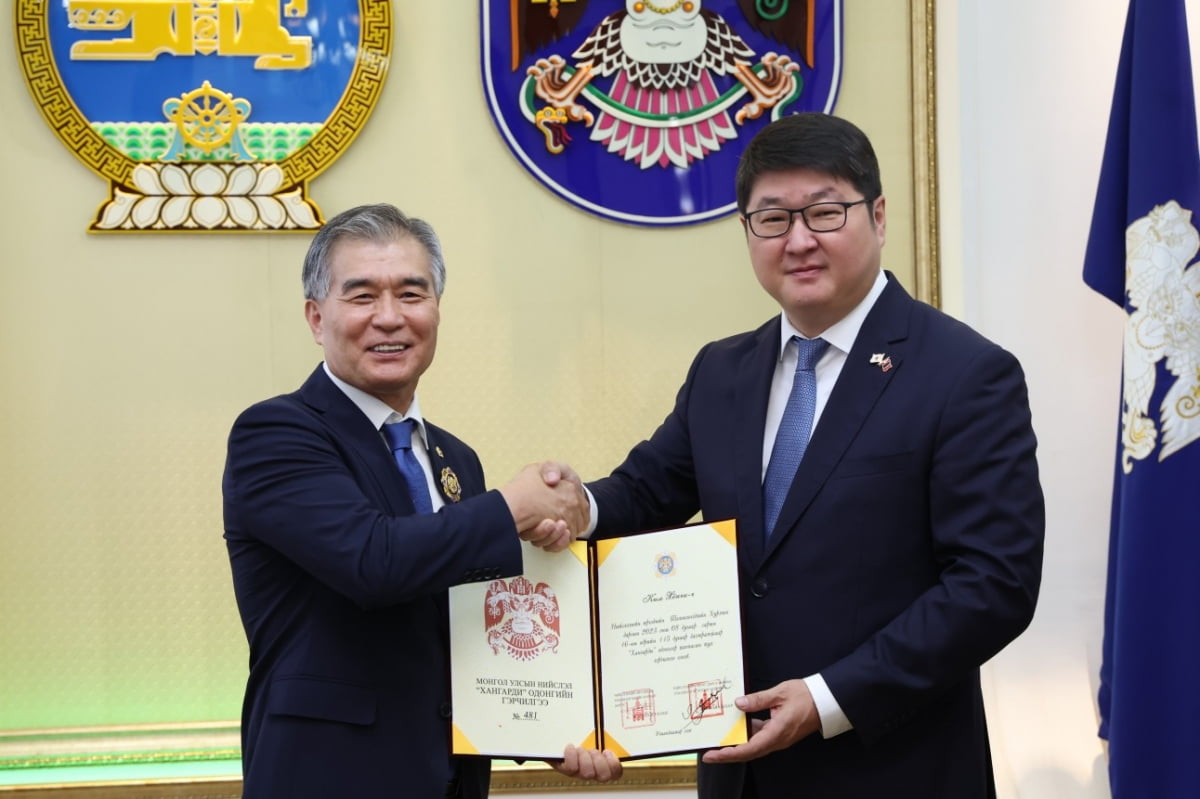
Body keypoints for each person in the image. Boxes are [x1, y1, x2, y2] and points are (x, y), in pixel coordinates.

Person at [555, 113, 1045, 797]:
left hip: (897, 769)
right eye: (773, 218)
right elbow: (645, 492)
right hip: (743, 774)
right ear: (747, 231)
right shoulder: (721, 372)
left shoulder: (965, 373)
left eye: (824, 211)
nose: (800, 240)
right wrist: (574, 506)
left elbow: (994, 586)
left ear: (877, 215)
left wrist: (827, 698)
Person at [222, 203, 604, 798]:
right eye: (362, 296)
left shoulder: (457, 460)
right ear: (316, 317)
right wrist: (514, 508)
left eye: (411, 293)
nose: (390, 318)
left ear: (437, 310)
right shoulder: (274, 433)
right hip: (326, 778)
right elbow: (373, 562)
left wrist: (546, 721)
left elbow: (472, 627)